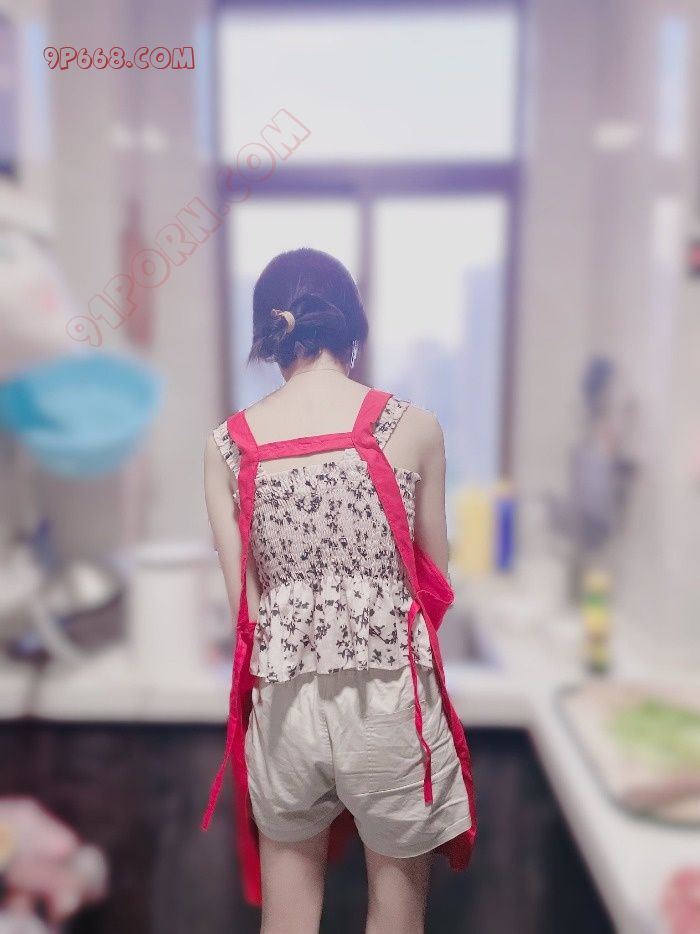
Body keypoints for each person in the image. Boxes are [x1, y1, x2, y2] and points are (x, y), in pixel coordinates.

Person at [201, 248, 475, 933]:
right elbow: (435, 581)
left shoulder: (229, 445)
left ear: (271, 338)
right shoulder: (412, 426)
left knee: (289, 917)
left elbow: (246, 608)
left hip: (284, 708)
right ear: (353, 329)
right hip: (388, 701)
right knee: (395, 914)